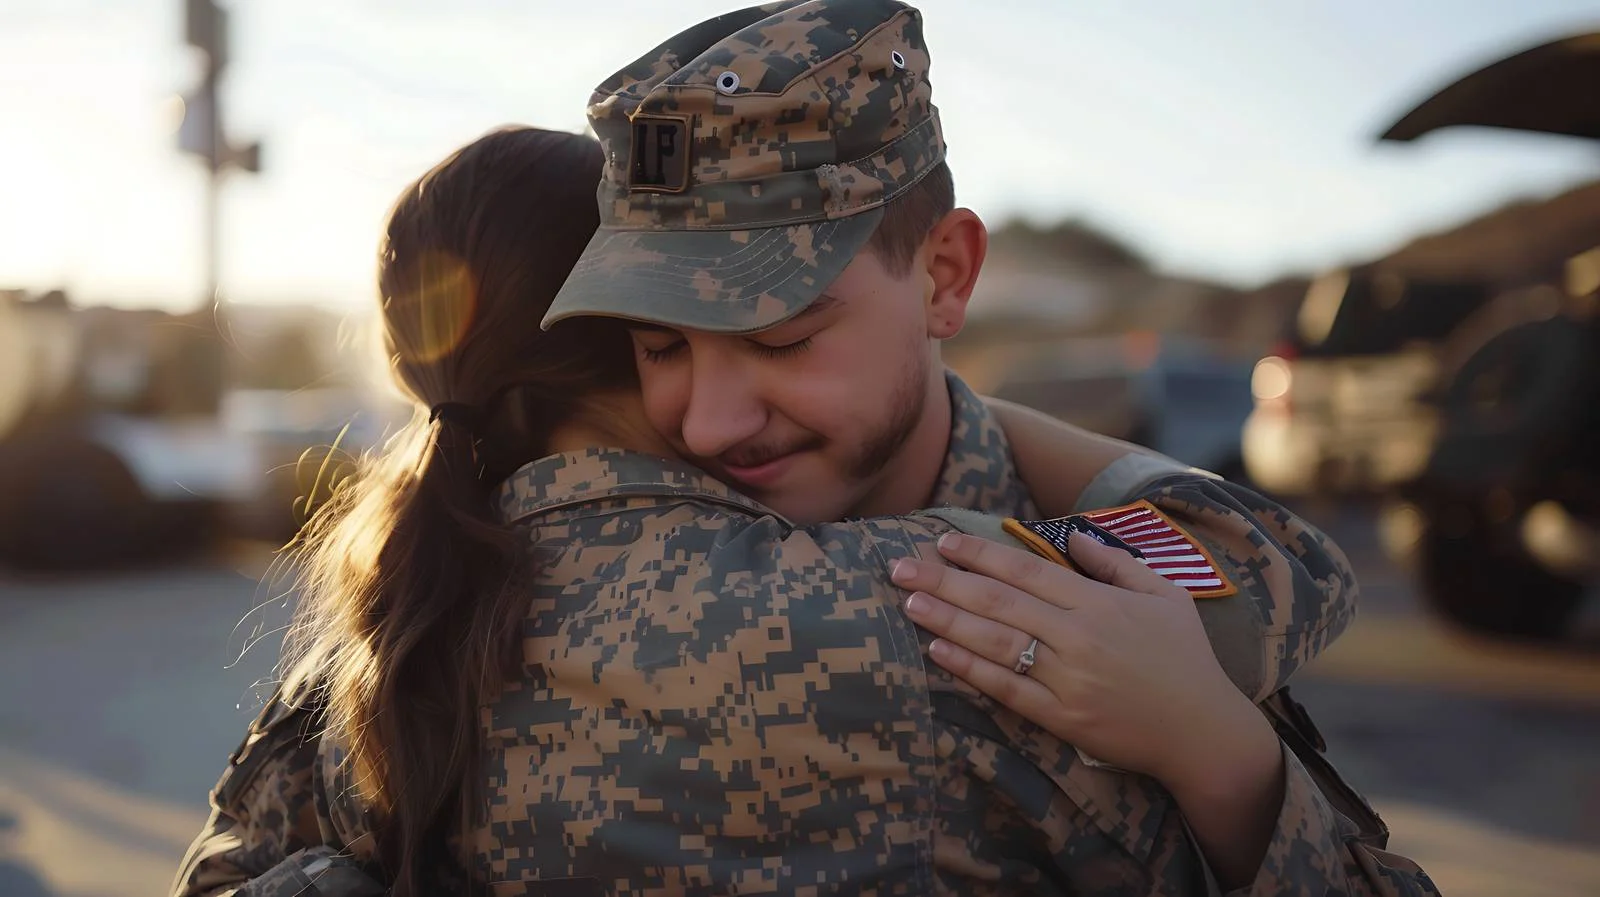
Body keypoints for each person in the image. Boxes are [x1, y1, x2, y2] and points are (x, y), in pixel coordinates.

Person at [172, 125, 1434, 896]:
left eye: (781, 336)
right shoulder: (956, 606)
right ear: (612, 333)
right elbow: (1267, 574)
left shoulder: (385, 638)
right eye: (673, 340)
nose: (720, 418)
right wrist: (1226, 754)